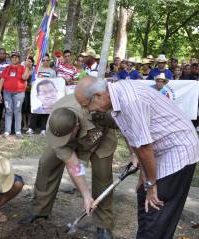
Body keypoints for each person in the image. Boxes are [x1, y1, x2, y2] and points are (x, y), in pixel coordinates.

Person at [74, 76, 199, 239]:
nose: (88, 111)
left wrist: (151, 183)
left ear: (98, 95)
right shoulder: (115, 96)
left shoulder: (129, 101)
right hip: (157, 146)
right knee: (143, 194)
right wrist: (142, 170)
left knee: (157, 203)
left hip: (177, 147)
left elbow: (144, 147)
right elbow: (132, 134)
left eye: (87, 106)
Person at [20, 94, 117, 239]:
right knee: (46, 164)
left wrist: (135, 154)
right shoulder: (56, 125)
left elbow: (128, 127)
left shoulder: (100, 110)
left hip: (100, 137)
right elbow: (73, 164)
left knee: (103, 176)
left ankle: (103, 224)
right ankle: (40, 210)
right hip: (69, 135)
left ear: (77, 125)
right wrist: (85, 194)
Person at [0, 51, 29, 138]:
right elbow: (1, 80)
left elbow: (25, 77)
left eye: (16, 57)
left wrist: (27, 67)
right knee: (8, 111)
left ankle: (18, 131)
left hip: (19, 94)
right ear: (10, 59)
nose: (14, 58)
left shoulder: (22, 68)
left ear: (19, 59)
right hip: (7, 93)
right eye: (13, 57)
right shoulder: (7, 68)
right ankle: (7, 131)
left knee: (17, 111)